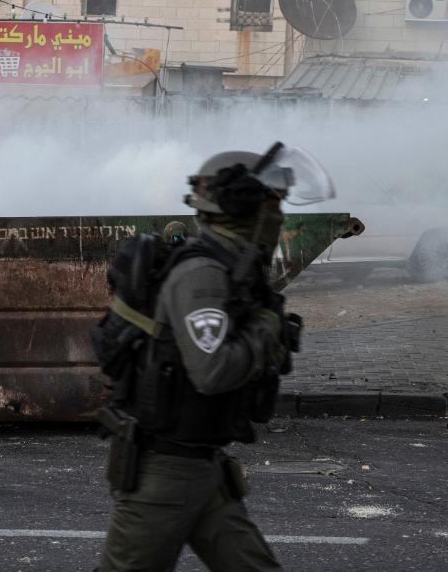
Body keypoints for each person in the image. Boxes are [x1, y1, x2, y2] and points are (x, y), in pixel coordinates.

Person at [96, 143, 320, 572]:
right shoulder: (203, 275)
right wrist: (264, 331)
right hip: (164, 474)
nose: (278, 216)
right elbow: (211, 371)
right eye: (271, 204)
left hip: (202, 465)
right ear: (241, 208)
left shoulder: (232, 268)